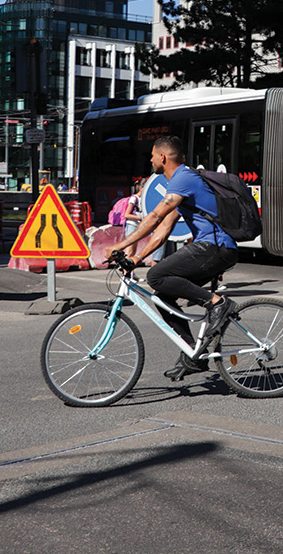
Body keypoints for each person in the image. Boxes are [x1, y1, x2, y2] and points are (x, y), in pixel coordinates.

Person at [105, 135, 238, 381]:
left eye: (153, 155)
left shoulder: (183, 179)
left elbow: (155, 216)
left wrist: (121, 245)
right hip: (212, 248)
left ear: (163, 157)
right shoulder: (181, 182)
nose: (151, 160)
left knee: (157, 275)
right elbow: (164, 228)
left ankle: (217, 303)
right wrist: (137, 257)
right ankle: (193, 356)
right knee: (163, 296)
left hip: (215, 247)